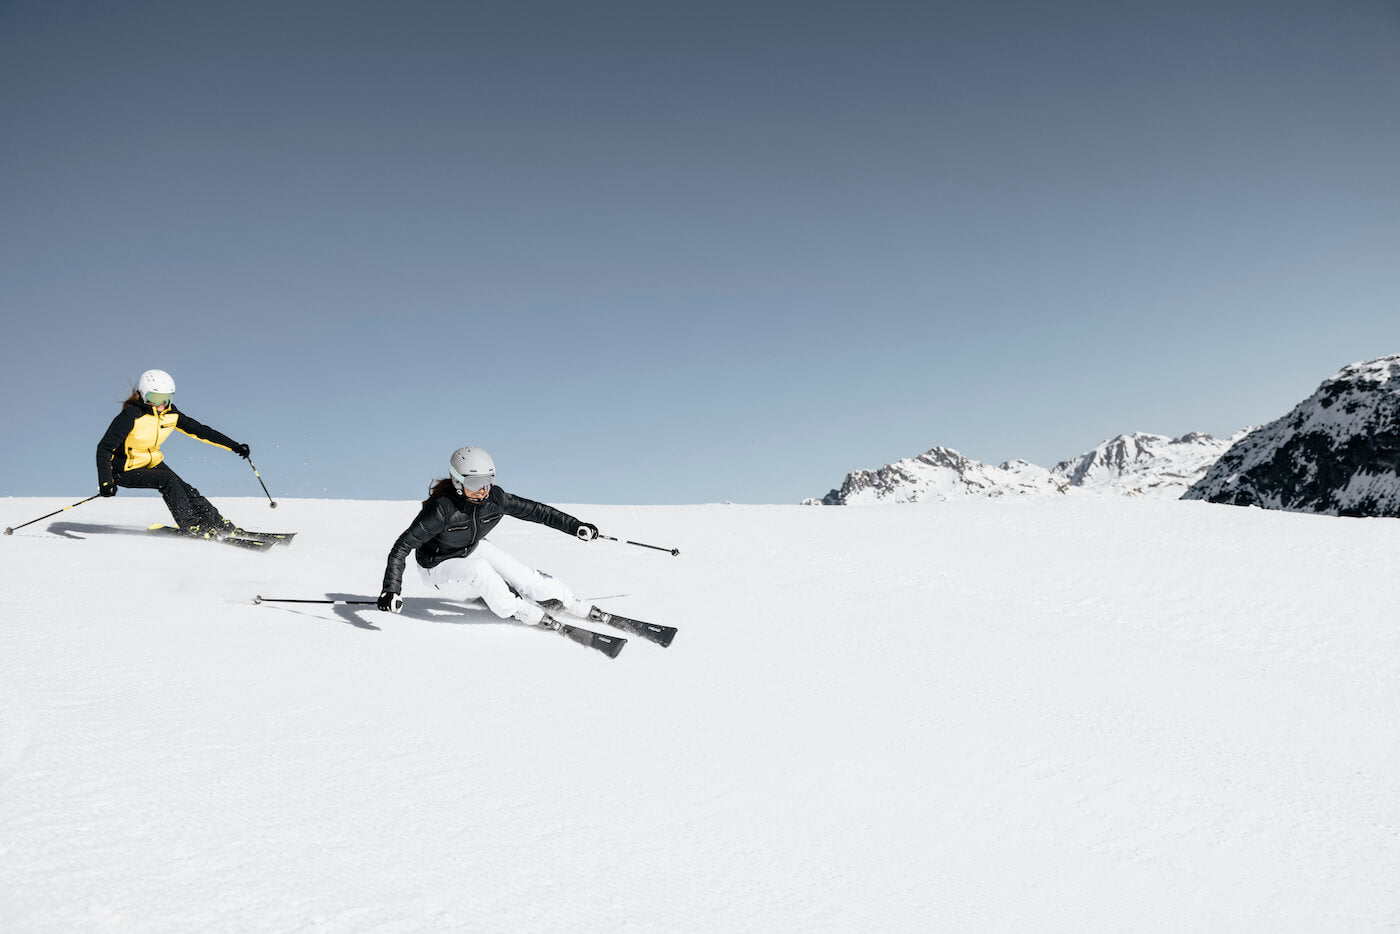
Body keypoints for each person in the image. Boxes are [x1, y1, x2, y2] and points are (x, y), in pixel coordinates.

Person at [378, 446, 601, 628]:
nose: (483, 490)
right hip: (436, 567)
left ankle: (573, 604)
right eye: (475, 483)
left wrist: (576, 526)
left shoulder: (495, 499)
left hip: (470, 547)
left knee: (523, 576)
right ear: (458, 481)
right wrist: (391, 590)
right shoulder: (441, 511)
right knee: (480, 570)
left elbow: (538, 512)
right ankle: (518, 610)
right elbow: (401, 547)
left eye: (487, 481)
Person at [95, 368, 252, 538]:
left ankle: (217, 524)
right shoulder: (131, 415)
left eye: (166, 398)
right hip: (124, 470)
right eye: (155, 398)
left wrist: (234, 446)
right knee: (168, 480)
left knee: (187, 490)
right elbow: (104, 448)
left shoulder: (171, 414)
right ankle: (191, 526)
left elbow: (201, 431)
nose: (162, 404)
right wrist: (106, 482)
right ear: (142, 395)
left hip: (151, 463)